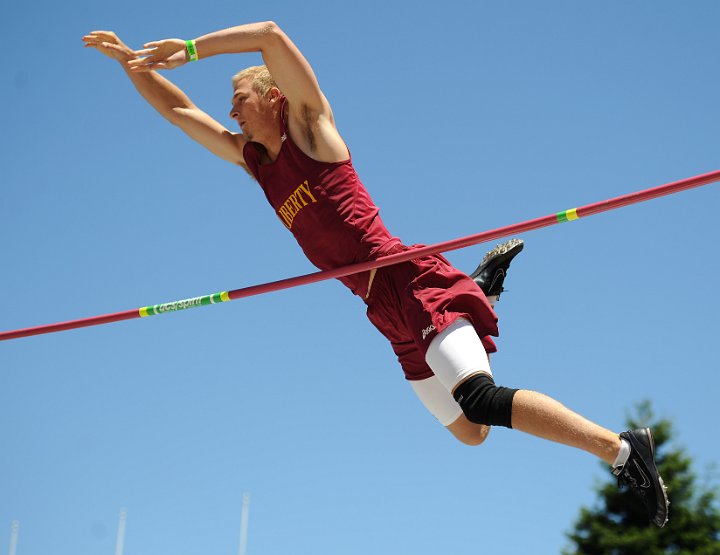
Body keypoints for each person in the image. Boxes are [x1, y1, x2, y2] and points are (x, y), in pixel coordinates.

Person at [82, 23, 669, 527]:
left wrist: (187, 49)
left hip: (405, 278)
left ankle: (619, 448)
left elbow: (268, 36)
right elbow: (178, 110)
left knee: (482, 401)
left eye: (239, 96)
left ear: (275, 97)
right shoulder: (257, 164)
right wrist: (131, 63)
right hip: (378, 308)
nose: (230, 109)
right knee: (472, 433)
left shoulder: (312, 131)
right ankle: (479, 290)